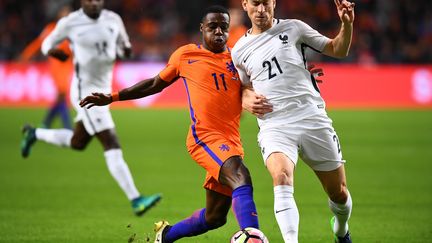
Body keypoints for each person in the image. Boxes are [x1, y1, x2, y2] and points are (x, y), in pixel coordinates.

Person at [80, 5, 264, 243]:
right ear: (202, 29)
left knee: (215, 217)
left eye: (223, 27)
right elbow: (154, 84)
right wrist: (114, 97)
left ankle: (165, 235)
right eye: (212, 27)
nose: (218, 32)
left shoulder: (237, 58)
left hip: (231, 142)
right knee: (241, 175)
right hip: (204, 137)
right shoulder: (186, 55)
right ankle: (253, 237)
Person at [20, 0, 161, 216]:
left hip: (103, 90)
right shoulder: (71, 22)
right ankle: (136, 199)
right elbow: (46, 44)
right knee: (110, 141)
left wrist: (126, 51)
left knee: (78, 142)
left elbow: (124, 48)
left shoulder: (113, 20)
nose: (94, 3)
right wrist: (57, 53)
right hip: (85, 93)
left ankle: (34, 133)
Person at [231, 0, 355, 242]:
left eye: (266, 3)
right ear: (245, 5)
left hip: (311, 118)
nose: (261, 10)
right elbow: (244, 86)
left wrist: (346, 25)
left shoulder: (294, 28)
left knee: (338, 193)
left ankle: (341, 228)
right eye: (255, 4)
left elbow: (337, 49)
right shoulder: (239, 50)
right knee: (282, 177)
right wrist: (245, 97)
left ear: (273, 3)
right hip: (274, 124)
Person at [19, 4, 73, 129]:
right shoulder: (50, 29)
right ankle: (68, 127)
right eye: (64, 12)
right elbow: (38, 43)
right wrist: (26, 55)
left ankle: (46, 124)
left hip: (68, 66)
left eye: (68, 12)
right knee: (62, 94)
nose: (66, 14)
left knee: (61, 97)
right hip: (56, 66)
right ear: (58, 14)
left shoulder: (72, 30)